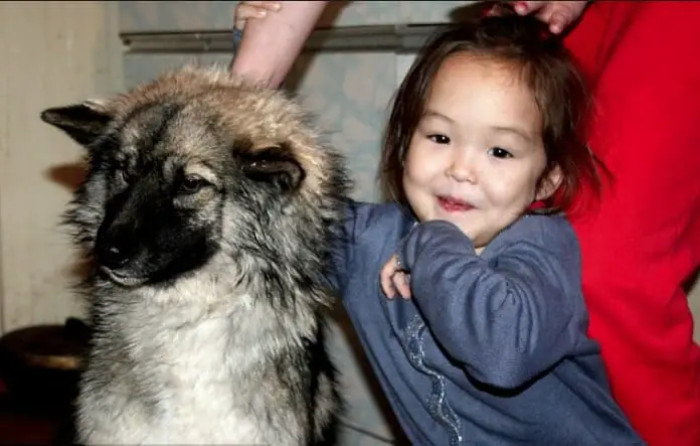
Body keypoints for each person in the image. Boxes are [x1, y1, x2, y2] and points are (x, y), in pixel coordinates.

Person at [230, 2, 700, 445]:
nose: (461, 168)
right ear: (402, 141)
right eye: (439, 136)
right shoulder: (372, 240)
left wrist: (431, 242)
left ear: (546, 181)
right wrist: (241, 103)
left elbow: (501, 353)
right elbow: (278, 215)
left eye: (499, 151)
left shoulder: (543, 249)